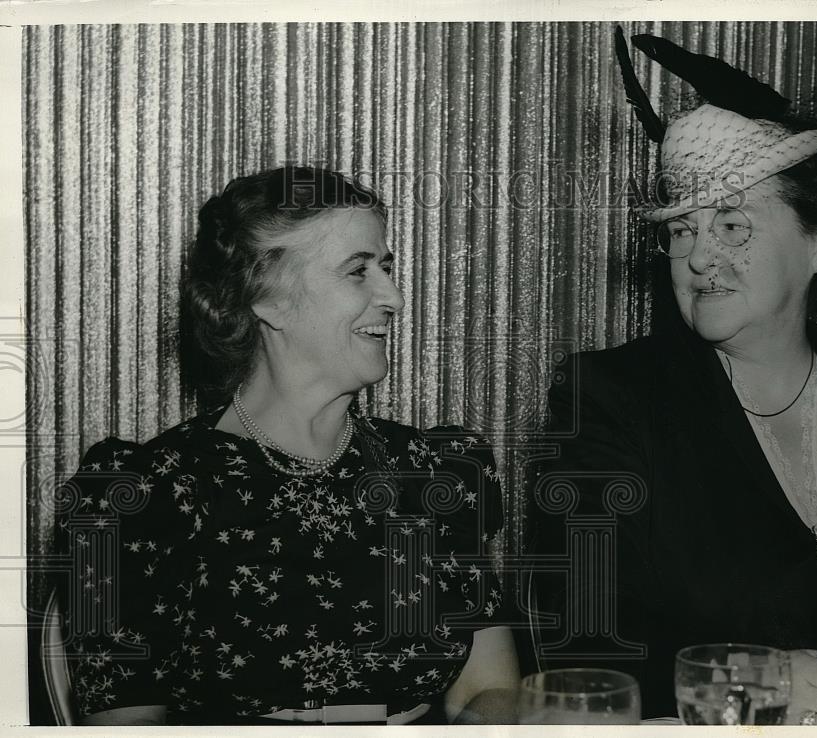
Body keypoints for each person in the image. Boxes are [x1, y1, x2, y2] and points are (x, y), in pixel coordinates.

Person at [529, 31, 817, 725]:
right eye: (682, 230)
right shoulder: (611, 400)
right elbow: (584, 653)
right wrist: (748, 683)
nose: (699, 257)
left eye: (733, 225)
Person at [54, 166, 519, 725]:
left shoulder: (431, 472)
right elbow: (127, 724)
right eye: (358, 271)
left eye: (387, 267)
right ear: (266, 299)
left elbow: (488, 689)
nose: (394, 297)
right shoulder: (144, 494)